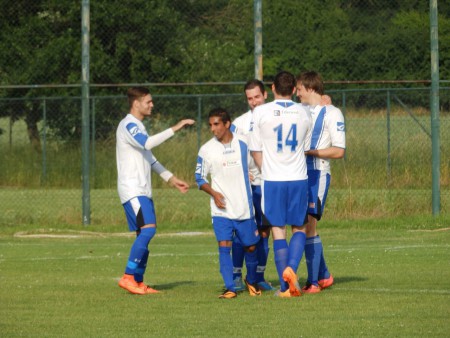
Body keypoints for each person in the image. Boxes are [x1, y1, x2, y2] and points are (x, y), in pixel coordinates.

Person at [116, 86, 195, 295]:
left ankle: (138, 281)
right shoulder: (128, 125)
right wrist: (175, 128)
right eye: (148, 101)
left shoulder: (138, 126)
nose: (152, 105)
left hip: (142, 190)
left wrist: (171, 178)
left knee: (144, 233)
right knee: (149, 230)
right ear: (136, 103)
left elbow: (149, 156)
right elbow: (149, 143)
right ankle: (127, 276)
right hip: (133, 189)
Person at [249, 71, 312, 298]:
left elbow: (255, 150)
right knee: (300, 228)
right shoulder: (304, 113)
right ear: (294, 89)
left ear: (273, 88)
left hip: (273, 179)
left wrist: (266, 170)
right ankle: (291, 270)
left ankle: (285, 288)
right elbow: (304, 146)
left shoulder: (260, 112)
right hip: (297, 177)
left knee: (278, 230)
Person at [195, 108, 261, 299]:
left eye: (216, 124)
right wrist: (214, 193)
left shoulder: (243, 143)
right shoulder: (206, 149)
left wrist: (254, 180)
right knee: (224, 246)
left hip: (243, 207)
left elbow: (255, 168)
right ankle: (230, 287)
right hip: (221, 209)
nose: (212, 129)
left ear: (227, 124)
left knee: (250, 246)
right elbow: (199, 178)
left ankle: (251, 280)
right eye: (210, 125)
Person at [295, 71, 346, 293]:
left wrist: (311, 152)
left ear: (310, 88)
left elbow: (339, 150)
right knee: (303, 225)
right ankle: (323, 275)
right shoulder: (300, 111)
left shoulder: (333, 113)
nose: (296, 93)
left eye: (299, 89)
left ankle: (313, 282)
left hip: (317, 174)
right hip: (297, 175)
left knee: (308, 224)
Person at [229, 79, 274, 292]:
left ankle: (257, 277)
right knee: (242, 232)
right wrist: (239, 170)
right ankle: (236, 276)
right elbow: (230, 152)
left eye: (257, 96)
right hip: (246, 186)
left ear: (265, 95)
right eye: (249, 98)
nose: (254, 102)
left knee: (265, 232)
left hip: (268, 184)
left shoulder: (277, 118)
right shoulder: (239, 123)